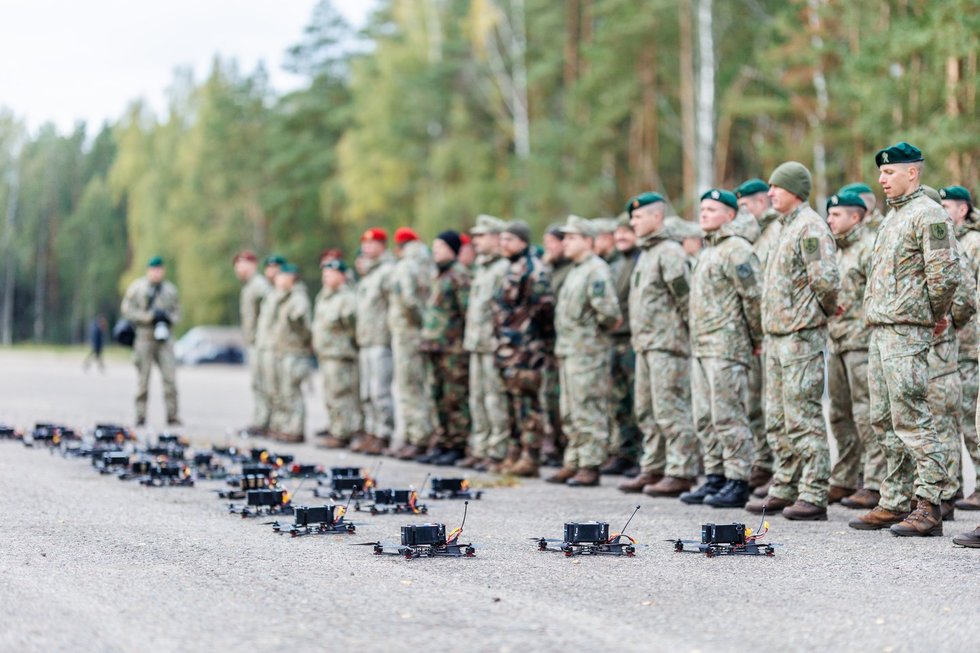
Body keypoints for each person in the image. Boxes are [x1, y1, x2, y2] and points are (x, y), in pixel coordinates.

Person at [849, 142, 959, 536]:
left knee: (912, 416)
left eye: (890, 173)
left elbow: (945, 274)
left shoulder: (929, 215)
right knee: (883, 419)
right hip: (881, 330)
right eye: (880, 173)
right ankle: (894, 500)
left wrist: (934, 315)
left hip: (907, 329)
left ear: (912, 172)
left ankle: (929, 504)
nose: (882, 179)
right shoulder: (893, 218)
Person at [747, 161, 839, 521]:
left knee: (802, 416)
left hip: (800, 336)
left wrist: (817, 314)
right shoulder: (783, 228)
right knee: (777, 417)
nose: (770, 192)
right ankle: (785, 484)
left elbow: (827, 281)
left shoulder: (810, 228)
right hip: (775, 337)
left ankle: (814, 491)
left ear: (796, 191)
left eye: (777, 187)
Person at [682, 189, 763, 508]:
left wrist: (755, 338)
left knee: (728, 414)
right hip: (702, 346)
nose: (703, 214)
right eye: (701, 208)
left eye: (712, 209)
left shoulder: (737, 250)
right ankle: (715, 475)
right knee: (705, 415)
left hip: (727, 346)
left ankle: (737, 478)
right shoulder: (708, 251)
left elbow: (754, 298)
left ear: (730, 215)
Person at [616, 194, 698, 497]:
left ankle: (681, 470)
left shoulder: (669, 253)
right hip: (646, 344)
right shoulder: (647, 253)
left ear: (657, 218)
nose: (634, 222)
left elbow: (685, 298)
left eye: (639, 217)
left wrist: (688, 338)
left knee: (670, 408)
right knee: (647, 410)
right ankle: (653, 466)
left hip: (668, 345)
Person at [548, 215, 622, 487]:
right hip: (570, 349)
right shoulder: (576, 269)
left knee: (588, 407)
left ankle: (590, 464)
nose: (565, 242)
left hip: (588, 350)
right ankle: (575, 459)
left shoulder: (596, 270)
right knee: (570, 409)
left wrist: (593, 335)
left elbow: (609, 312)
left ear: (588, 241)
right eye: (564, 237)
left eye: (571, 237)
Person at [823, 193, 884, 510]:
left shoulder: (869, 247)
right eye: (829, 214)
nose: (830, 219)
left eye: (836, 214)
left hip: (861, 342)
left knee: (866, 413)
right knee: (839, 414)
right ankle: (844, 478)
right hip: (837, 341)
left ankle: (874, 483)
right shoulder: (837, 250)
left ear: (856, 217)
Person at [491, 220, 555, 476]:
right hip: (507, 349)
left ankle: (531, 456)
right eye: (502, 239)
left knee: (528, 404)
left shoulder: (533, 270)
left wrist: (537, 339)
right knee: (511, 403)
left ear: (523, 242)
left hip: (527, 349)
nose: (503, 244)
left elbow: (544, 309)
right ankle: (514, 452)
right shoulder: (509, 268)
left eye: (509, 240)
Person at [735, 178, 782, 493]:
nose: (741, 215)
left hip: (775, 331)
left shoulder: (776, 230)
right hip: (758, 332)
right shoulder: (755, 235)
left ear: (761, 203)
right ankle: (763, 464)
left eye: (745, 207)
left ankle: (780, 469)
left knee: (777, 405)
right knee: (755, 403)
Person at [941, 185, 980, 512]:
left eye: (946, 205)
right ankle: (951, 486)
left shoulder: (974, 244)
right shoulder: (948, 241)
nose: (941, 211)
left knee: (972, 420)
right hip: (953, 345)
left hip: (971, 344)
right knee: (951, 418)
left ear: (962, 210)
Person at [461, 215, 511, 469]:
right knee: (477, 398)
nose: (475, 241)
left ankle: (498, 449)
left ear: (495, 237)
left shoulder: (503, 268)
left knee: (494, 398)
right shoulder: (481, 267)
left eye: (481, 236)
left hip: (492, 343)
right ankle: (480, 447)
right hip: (476, 342)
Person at [417, 230, 471, 466]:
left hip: (452, 349)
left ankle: (457, 444)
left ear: (452, 249)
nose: (435, 251)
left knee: (454, 398)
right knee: (436, 396)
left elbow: (466, 312)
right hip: (434, 346)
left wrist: (460, 342)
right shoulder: (438, 274)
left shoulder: (459, 275)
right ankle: (443, 441)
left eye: (439, 247)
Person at [599, 215, 643, 477]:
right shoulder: (614, 264)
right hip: (615, 340)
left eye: (627, 232)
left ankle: (641, 455)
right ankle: (624, 452)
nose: (622, 237)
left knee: (639, 401)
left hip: (634, 338)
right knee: (618, 400)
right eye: (618, 233)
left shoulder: (641, 259)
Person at [387, 227, 435, 460]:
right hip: (419, 332)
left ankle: (417, 437)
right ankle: (416, 435)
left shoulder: (406, 265)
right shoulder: (427, 263)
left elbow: (408, 300)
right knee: (419, 384)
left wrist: (418, 323)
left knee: (409, 386)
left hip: (408, 333)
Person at [120, 256, 181, 427]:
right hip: (144, 337)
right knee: (143, 380)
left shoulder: (170, 290)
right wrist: (148, 317)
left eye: (160, 269)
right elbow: (127, 310)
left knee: (170, 379)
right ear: (149, 270)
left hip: (165, 338)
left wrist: (168, 318)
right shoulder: (138, 288)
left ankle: (172, 415)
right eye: (154, 270)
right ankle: (140, 416)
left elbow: (177, 312)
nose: (157, 273)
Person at [312, 259, 363, 448]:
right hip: (326, 354)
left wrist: (347, 347)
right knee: (331, 395)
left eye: (330, 273)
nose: (325, 277)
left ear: (341, 275)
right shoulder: (325, 296)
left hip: (340, 354)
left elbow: (352, 326)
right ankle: (335, 428)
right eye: (324, 273)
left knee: (342, 395)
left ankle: (343, 433)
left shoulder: (347, 298)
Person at [354, 228, 396, 455]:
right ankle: (371, 431)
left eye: (372, 243)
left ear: (382, 245)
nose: (366, 248)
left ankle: (383, 433)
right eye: (364, 243)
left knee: (380, 391)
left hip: (381, 339)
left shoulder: (387, 271)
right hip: (366, 340)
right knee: (367, 392)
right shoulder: (369, 274)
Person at [267, 263, 312, 443]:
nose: (277, 280)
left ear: (291, 277)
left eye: (280, 276)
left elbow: (303, 327)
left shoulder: (297, 298)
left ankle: (296, 429)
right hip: (284, 351)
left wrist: (303, 344)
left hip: (295, 351)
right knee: (284, 392)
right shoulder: (285, 298)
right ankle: (286, 426)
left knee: (292, 391)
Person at [233, 250, 272, 436]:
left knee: (262, 384)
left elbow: (269, 314)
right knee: (257, 384)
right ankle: (260, 419)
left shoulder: (259, 286)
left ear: (253, 265)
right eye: (237, 265)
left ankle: (263, 421)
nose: (239, 268)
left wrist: (262, 338)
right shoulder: (249, 286)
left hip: (261, 342)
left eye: (242, 264)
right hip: (254, 341)